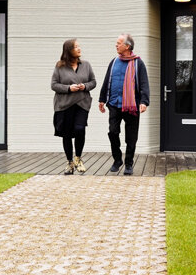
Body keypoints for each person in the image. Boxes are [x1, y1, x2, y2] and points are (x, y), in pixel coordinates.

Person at [98, 33, 149, 175]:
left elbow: (144, 84)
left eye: (118, 43)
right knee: (113, 132)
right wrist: (102, 99)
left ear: (127, 46)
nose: (116, 45)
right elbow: (107, 80)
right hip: (114, 103)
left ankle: (128, 164)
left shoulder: (138, 63)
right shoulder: (114, 62)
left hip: (132, 105)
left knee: (131, 137)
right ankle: (117, 159)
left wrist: (144, 101)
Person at [51, 39, 97, 175]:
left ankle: (78, 158)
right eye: (76, 47)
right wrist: (69, 88)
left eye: (79, 46)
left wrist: (85, 86)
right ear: (68, 50)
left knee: (80, 128)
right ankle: (69, 162)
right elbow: (53, 85)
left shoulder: (86, 65)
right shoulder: (59, 67)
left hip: (82, 103)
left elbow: (93, 82)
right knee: (66, 134)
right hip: (64, 105)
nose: (79, 49)